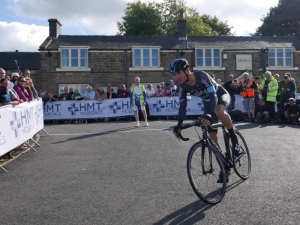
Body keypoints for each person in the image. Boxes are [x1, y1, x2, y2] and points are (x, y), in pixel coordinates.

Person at [170, 58, 240, 182]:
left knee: (219, 111)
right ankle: (224, 165)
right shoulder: (181, 86)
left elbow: (213, 96)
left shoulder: (201, 75)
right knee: (212, 136)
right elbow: (182, 107)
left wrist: (208, 113)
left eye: (178, 73)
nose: (177, 77)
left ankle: (234, 137)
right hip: (208, 103)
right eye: (175, 74)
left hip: (220, 95)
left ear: (187, 70)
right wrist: (179, 125)